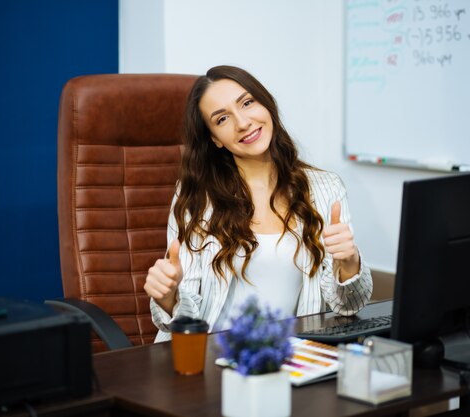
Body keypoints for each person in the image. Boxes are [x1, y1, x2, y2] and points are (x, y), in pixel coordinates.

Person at [144, 65, 373, 342]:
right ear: (215, 139)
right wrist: (169, 296)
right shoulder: (196, 199)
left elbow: (348, 307)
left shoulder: (325, 189)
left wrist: (349, 263)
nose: (243, 122)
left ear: (266, 104)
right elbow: (185, 317)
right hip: (211, 359)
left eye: (247, 102)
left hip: (289, 358)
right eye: (222, 119)